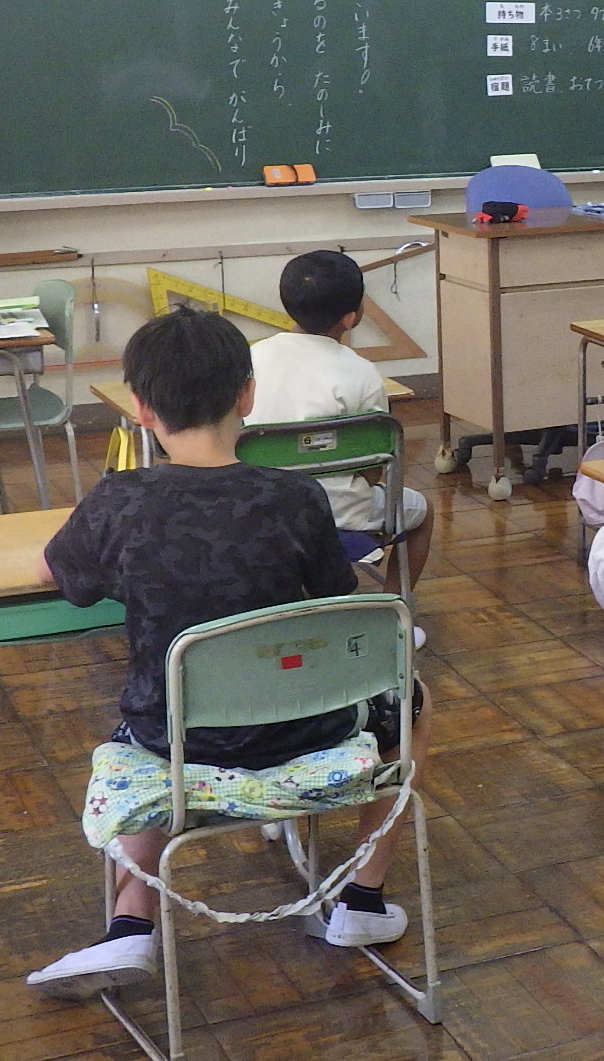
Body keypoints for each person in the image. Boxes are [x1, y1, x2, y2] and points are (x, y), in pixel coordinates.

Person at [24, 306, 428, 997]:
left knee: (143, 723)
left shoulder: (120, 500)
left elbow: (53, 574)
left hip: (174, 743)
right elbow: (335, 601)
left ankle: (130, 926)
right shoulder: (295, 495)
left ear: (142, 408)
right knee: (412, 698)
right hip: (305, 729)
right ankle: (363, 898)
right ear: (247, 394)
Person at [246, 249, 434, 585]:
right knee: (424, 511)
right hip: (341, 514)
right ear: (350, 318)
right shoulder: (362, 373)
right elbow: (374, 469)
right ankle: (395, 605)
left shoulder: (251, 358)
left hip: (260, 508)